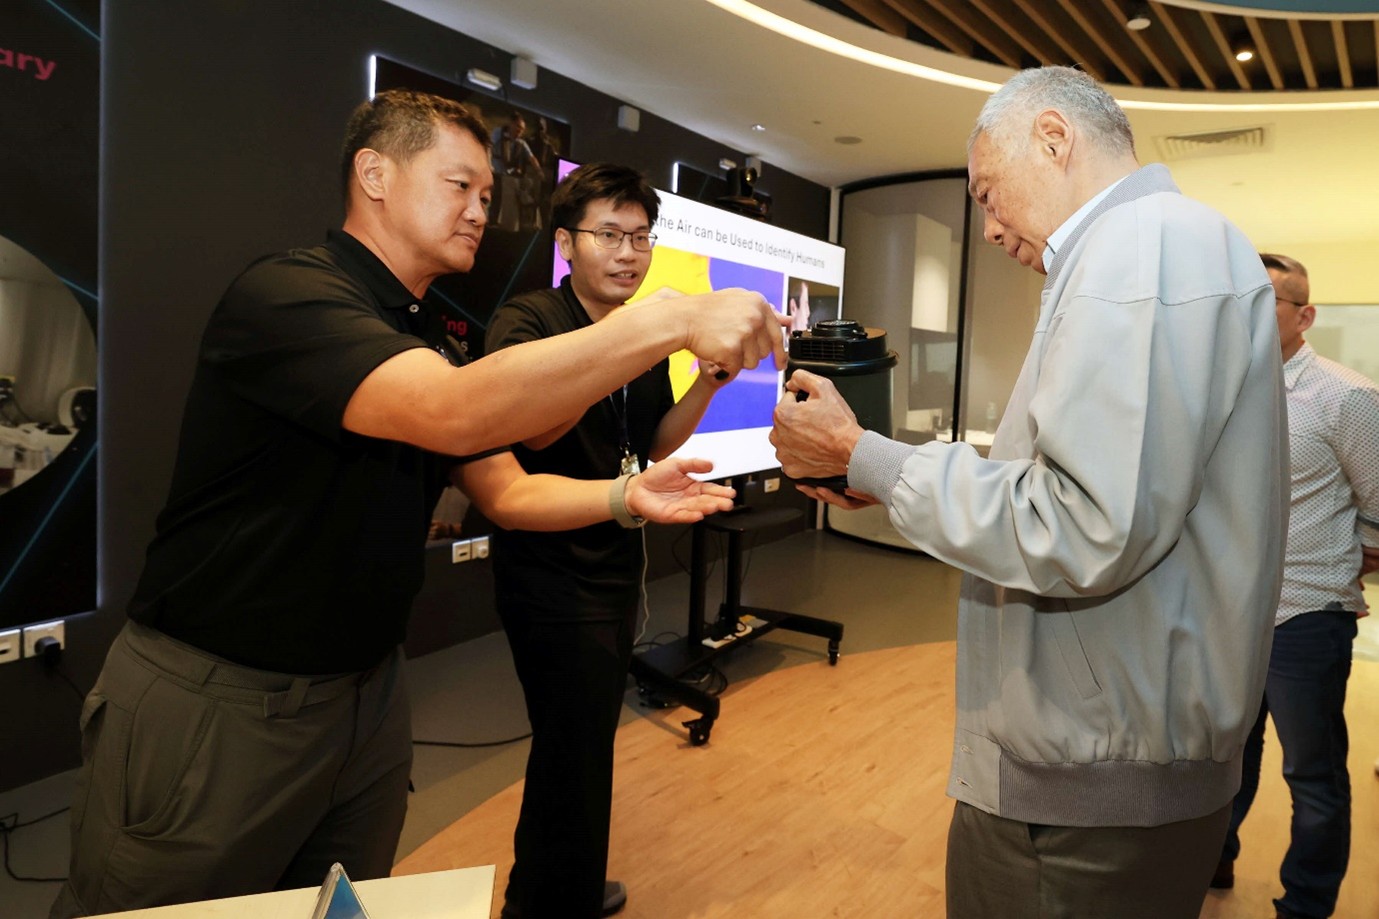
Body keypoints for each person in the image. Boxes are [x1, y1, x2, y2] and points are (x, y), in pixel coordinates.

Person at [50, 89, 783, 918]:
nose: (478, 210)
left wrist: (625, 494)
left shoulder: (427, 335)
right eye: (458, 186)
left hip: (365, 694)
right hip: (223, 699)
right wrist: (675, 318)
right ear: (374, 175)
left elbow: (507, 486)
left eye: (483, 193)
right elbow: (455, 411)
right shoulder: (292, 296)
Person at [770, 66, 1287, 919]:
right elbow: (1088, 493)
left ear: (1053, 138)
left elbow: (1081, 524)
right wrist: (882, 473)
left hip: (1087, 794)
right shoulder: (1159, 248)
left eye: (985, 190)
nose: (987, 223)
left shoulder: (1139, 246)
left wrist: (865, 456)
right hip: (1108, 769)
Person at [459, 162, 737, 919]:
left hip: (614, 562)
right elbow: (530, 425)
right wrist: (625, 341)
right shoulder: (529, 321)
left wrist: (706, 384)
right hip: (549, 573)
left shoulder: (637, 336)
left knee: (582, 746)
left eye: (640, 237)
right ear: (566, 243)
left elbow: (649, 443)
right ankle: (545, 900)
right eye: (608, 235)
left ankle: (564, 885)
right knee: (569, 749)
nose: (627, 253)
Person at [1211, 253, 1379, 919]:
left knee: (1310, 775)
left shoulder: (1345, 395)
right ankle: (1212, 856)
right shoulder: (1221, 388)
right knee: (1222, 759)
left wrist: (1348, 557)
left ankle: (1305, 904)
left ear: (1302, 315)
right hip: (1225, 613)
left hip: (1305, 614)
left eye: (1265, 303)